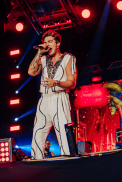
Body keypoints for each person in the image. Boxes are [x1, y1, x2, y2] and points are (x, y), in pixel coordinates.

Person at [28, 30, 77, 160]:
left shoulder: (68, 58)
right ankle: (37, 162)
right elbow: (31, 72)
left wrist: (55, 83)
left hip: (59, 97)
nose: (47, 45)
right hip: (44, 99)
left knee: (62, 132)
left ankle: (69, 161)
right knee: (38, 133)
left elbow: (72, 83)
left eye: (50, 42)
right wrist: (39, 52)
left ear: (58, 43)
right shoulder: (43, 59)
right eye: (45, 42)